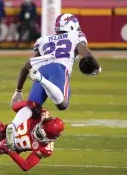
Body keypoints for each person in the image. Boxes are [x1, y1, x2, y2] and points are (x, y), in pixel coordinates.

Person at [7, 13, 102, 148]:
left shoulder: (44, 39)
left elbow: (26, 66)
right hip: (59, 69)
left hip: (41, 68)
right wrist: (97, 69)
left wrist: (18, 91)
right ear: (72, 25)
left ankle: (13, 125)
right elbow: (88, 55)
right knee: (62, 104)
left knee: (32, 106)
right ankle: (41, 79)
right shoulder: (76, 36)